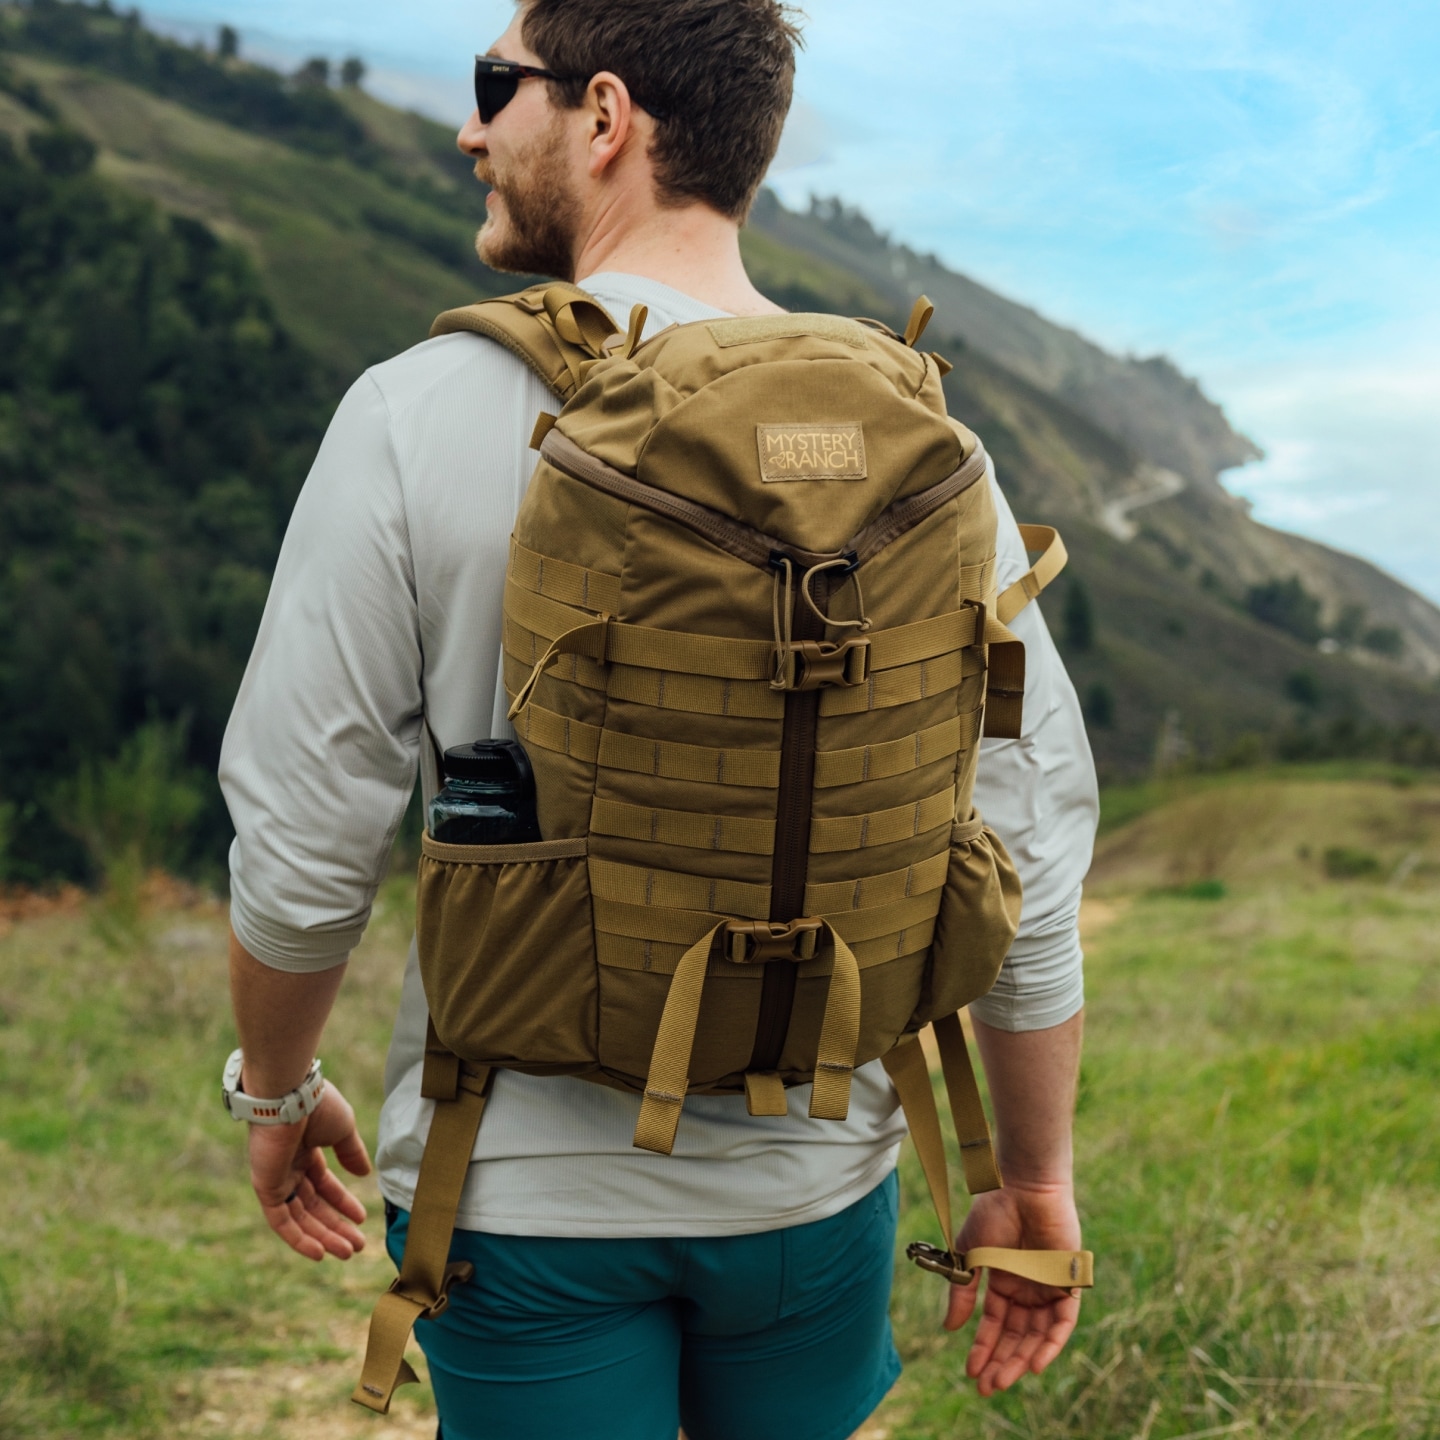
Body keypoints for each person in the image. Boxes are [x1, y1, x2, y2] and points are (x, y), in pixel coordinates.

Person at [218, 2, 1099, 1437]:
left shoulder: (414, 414)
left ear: (605, 115)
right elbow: (1025, 829)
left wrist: (275, 1095)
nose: (470, 127)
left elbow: (307, 841)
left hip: (520, 1194)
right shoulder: (921, 441)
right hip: (821, 1190)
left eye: (497, 87)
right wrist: (1035, 1171)